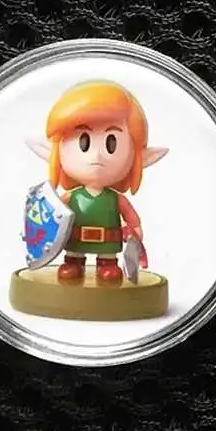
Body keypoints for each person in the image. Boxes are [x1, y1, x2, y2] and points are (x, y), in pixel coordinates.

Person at [26, 81, 168, 284]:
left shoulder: (115, 199)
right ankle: (74, 262)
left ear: (137, 157)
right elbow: (52, 215)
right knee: (73, 259)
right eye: (84, 142)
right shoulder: (72, 197)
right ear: (56, 152)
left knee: (109, 266)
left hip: (107, 243)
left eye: (111, 143)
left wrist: (135, 230)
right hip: (76, 240)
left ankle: (107, 264)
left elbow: (131, 217)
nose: (97, 155)